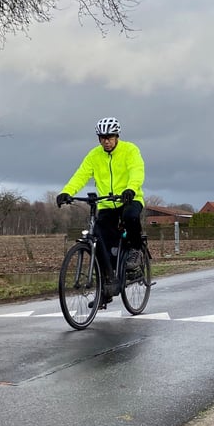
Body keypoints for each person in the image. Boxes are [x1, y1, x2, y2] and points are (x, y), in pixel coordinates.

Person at [56, 117, 145, 306]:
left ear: (117, 136)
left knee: (130, 216)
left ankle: (136, 251)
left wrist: (131, 188)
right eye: (102, 137)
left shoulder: (130, 150)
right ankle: (107, 286)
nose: (106, 141)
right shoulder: (94, 155)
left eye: (110, 137)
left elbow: (137, 171)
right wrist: (66, 192)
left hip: (129, 198)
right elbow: (81, 175)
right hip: (106, 204)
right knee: (100, 239)